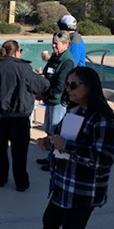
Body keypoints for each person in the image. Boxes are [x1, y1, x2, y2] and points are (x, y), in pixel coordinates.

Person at [10, 67, 114, 229]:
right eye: (67, 84)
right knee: (49, 223)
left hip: (83, 191)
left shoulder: (103, 120)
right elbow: (62, 140)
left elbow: (105, 158)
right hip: (63, 184)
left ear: (89, 87)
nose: (67, 89)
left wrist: (66, 147)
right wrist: (49, 143)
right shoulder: (74, 111)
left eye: (73, 85)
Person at [0, 40, 50, 191]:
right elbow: (43, 85)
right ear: (16, 52)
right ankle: (21, 182)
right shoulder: (24, 69)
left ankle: (0, 177)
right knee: (19, 152)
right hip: (19, 117)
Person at [37, 31, 75, 171]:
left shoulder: (67, 61)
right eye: (52, 43)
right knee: (49, 129)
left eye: (56, 43)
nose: (53, 46)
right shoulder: (55, 57)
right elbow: (48, 73)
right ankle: (49, 156)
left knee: (56, 131)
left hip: (58, 101)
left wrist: (44, 95)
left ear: (66, 44)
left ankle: (55, 161)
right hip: (49, 99)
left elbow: (60, 85)